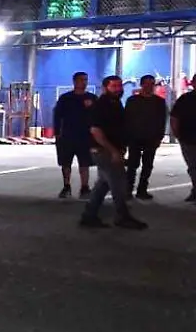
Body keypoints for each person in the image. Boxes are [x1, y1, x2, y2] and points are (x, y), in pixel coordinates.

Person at [81, 75, 147, 230]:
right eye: (114, 86)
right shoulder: (100, 106)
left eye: (119, 86)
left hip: (111, 150)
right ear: (105, 88)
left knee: (103, 184)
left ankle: (89, 216)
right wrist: (113, 151)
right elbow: (95, 130)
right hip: (103, 151)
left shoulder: (116, 104)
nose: (118, 89)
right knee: (119, 183)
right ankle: (122, 216)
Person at [53, 72, 98, 198]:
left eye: (85, 80)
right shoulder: (65, 98)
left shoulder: (92, 98)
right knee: (65, 163)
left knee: (84, 163)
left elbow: (98, 116)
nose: (84, 82)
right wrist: (57, 133)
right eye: (81, 80)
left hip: (85, 137)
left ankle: (85, 187)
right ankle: (66, 186)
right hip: (67, 136)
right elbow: (57, 116)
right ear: (74, 82)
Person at [125, 74, 168, 200]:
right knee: (132, 165)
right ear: (141, 85)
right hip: (134, 138)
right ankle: (127, 190)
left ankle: (142, 190)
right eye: (146, 83)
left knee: (148, 165)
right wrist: (127, 137)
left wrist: (159, 137)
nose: (149, 86)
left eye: (152, 84)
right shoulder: (132, 101)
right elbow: (127, 119)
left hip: (151, 138)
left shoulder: (159, 102)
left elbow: (162, 120)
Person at [170, 87, 196, 203]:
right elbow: (175, 117)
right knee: (193, 168)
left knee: (193, 168)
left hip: (187, 139)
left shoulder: (184, 99)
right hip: (188, 139)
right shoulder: (185, 99)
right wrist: (177, 135)